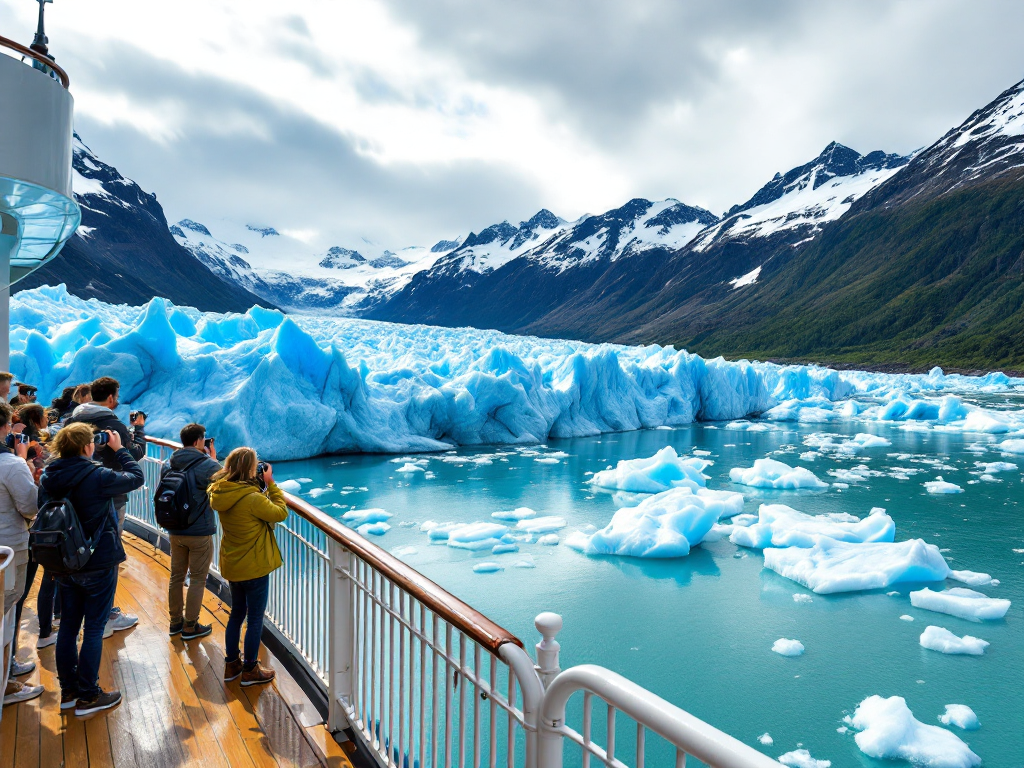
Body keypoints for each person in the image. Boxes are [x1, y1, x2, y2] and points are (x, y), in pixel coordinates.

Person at [38, 423, 144, 716]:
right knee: (94, 628)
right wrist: (120, 449)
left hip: (64, 562)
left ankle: (69, 692)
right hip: (98, 562)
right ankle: (88, 695)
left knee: (69, 628)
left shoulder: (49, 476)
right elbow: (136, 477)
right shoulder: (97, 475)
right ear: (88, 447)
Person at [66, 376, 145, 635]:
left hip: (74, 497)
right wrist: (138, 432)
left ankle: (74, 611)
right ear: (111, 398)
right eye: (117, 395)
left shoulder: (72, 420)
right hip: (110, 496)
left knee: (75, 547)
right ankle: (106, 615)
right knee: (108, 554)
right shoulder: (114, 425)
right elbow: (133, 457)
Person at [209, 448, 286, 686]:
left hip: (234, 564)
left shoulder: (222, 491)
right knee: (254, 619)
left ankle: (232, 663)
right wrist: (270, 484)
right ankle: (251, 670)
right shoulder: (252, 498)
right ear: (250, 470)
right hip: (254, 567)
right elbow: (280, 512)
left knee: (237, 613)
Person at [0, 402, 42, 706]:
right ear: (4, 429)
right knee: (6, 611)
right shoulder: (11, 465)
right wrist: (26, 465)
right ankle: (6, 681)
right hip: (8, 551)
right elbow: (30, 506)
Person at [160, 424, 219, 640]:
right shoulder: (206, 465)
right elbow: (226, 482)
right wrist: (213, 459)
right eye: (203, 440)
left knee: (176, 576)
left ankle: (175, 622)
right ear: (197, 442)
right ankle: (191, 626)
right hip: (199, 531)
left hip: (175, 529)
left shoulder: (169, 463)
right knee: (197, 579)